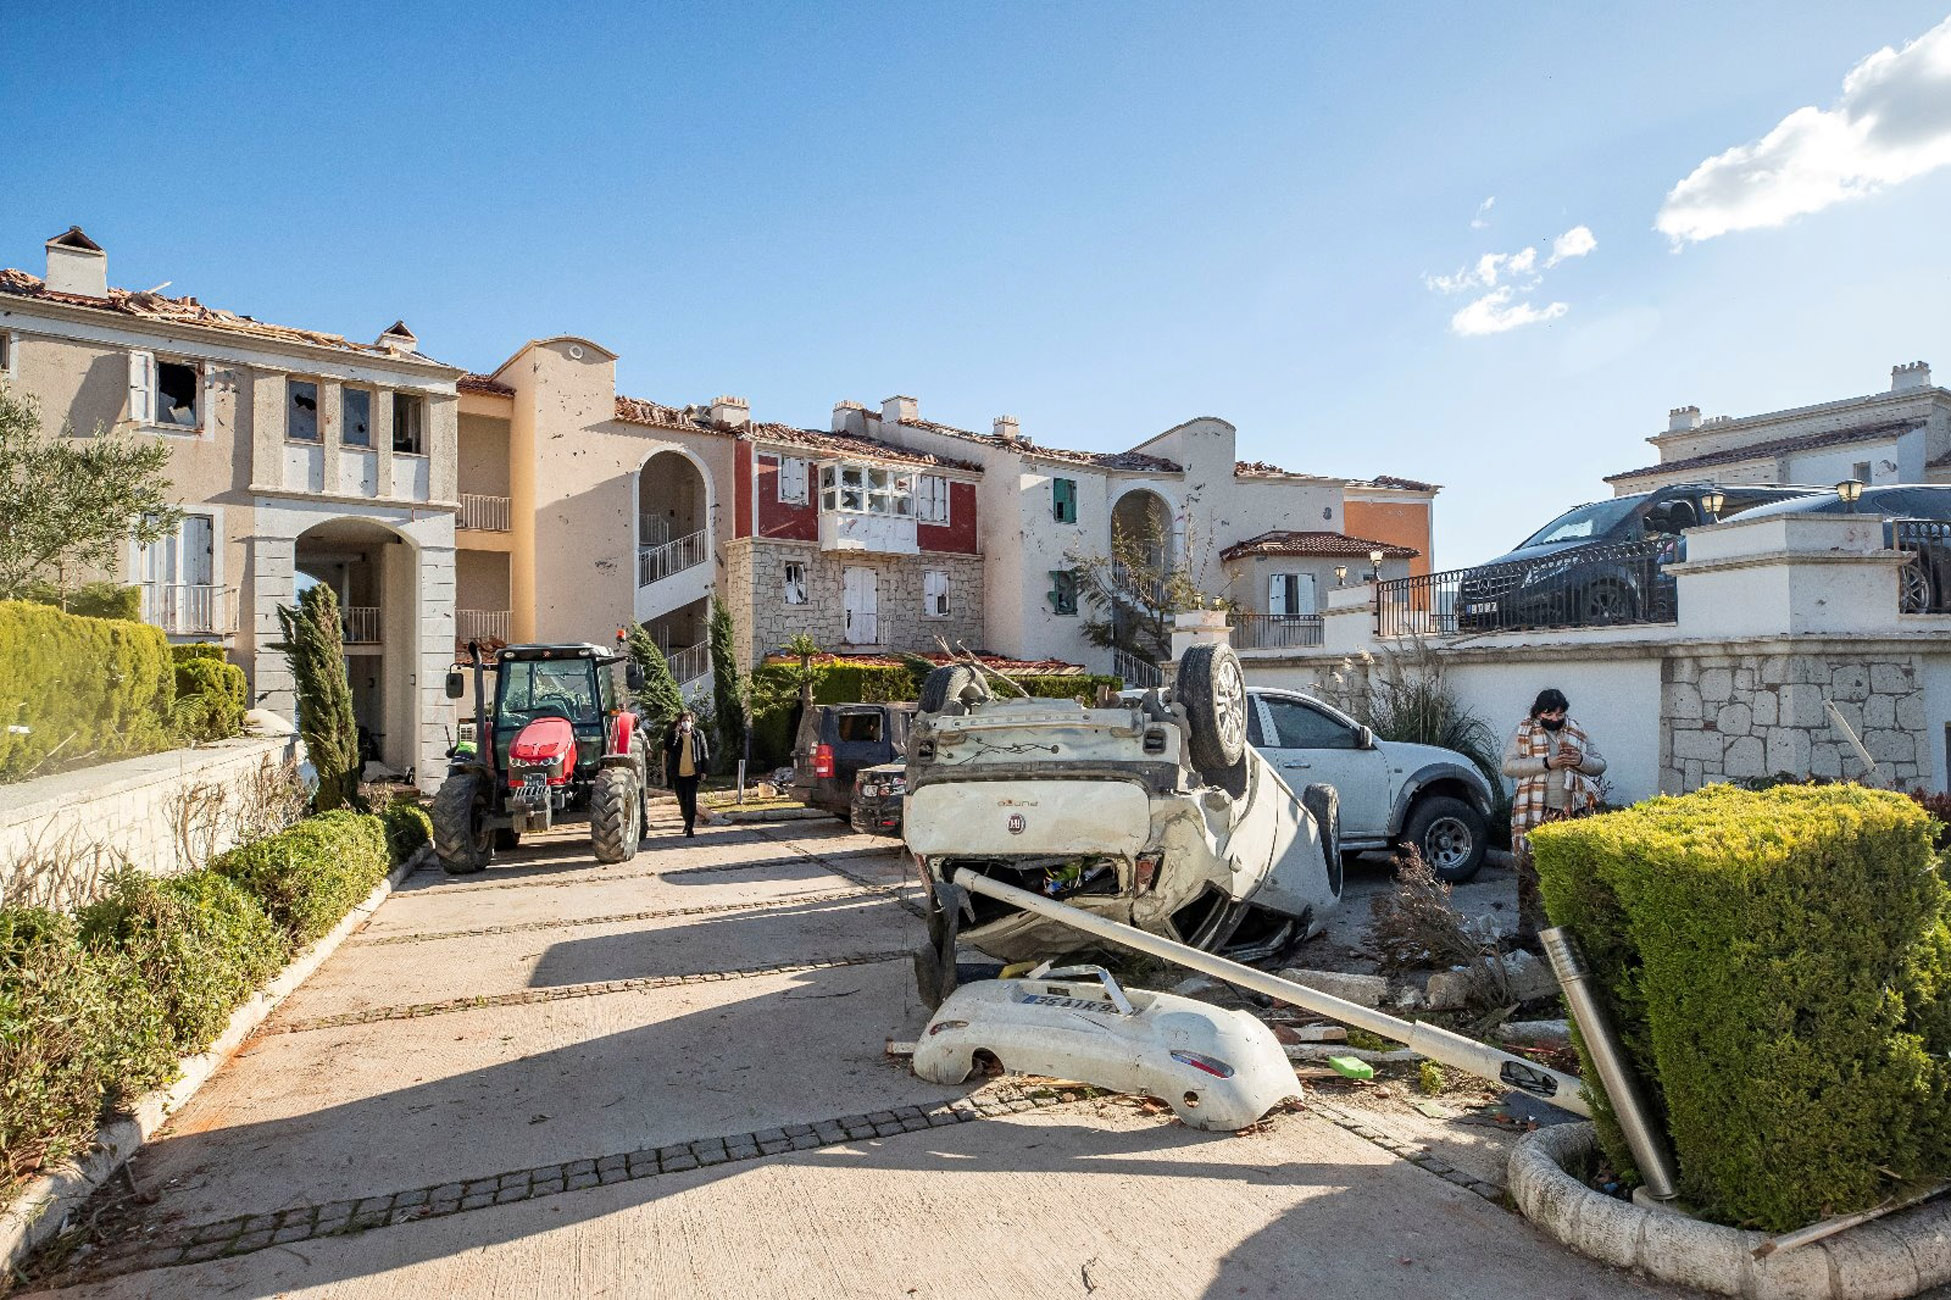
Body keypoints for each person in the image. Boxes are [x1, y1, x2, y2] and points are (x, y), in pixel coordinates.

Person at [1502, 688, 1606, 946]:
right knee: (1529, 870)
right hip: (1535, 813)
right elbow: (1509, 766)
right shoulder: (1522, 732)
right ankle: (1527, 930)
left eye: (1561, 712)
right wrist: (1548, 763)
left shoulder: (1576, 730)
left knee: (1567, 873)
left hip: (1572, 812)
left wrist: (1579, 759)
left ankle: (1563, 928)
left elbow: (1600, 764)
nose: (1556, 717)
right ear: (1538, 712)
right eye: (1550, 712)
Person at [664, 710, 710, 838]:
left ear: (692, 722)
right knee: (682, 801)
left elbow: (704, 753)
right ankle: (686, 821)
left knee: (691, 800)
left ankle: (690, 827)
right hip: (678, 774)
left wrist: (704, 771)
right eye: (684, 720)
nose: (686, 723)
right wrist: (675, 733)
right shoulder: (675, 735)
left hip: (693, 773)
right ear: (679, 722)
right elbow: (668, 748)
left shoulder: (698, 734)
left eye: (688, 720)